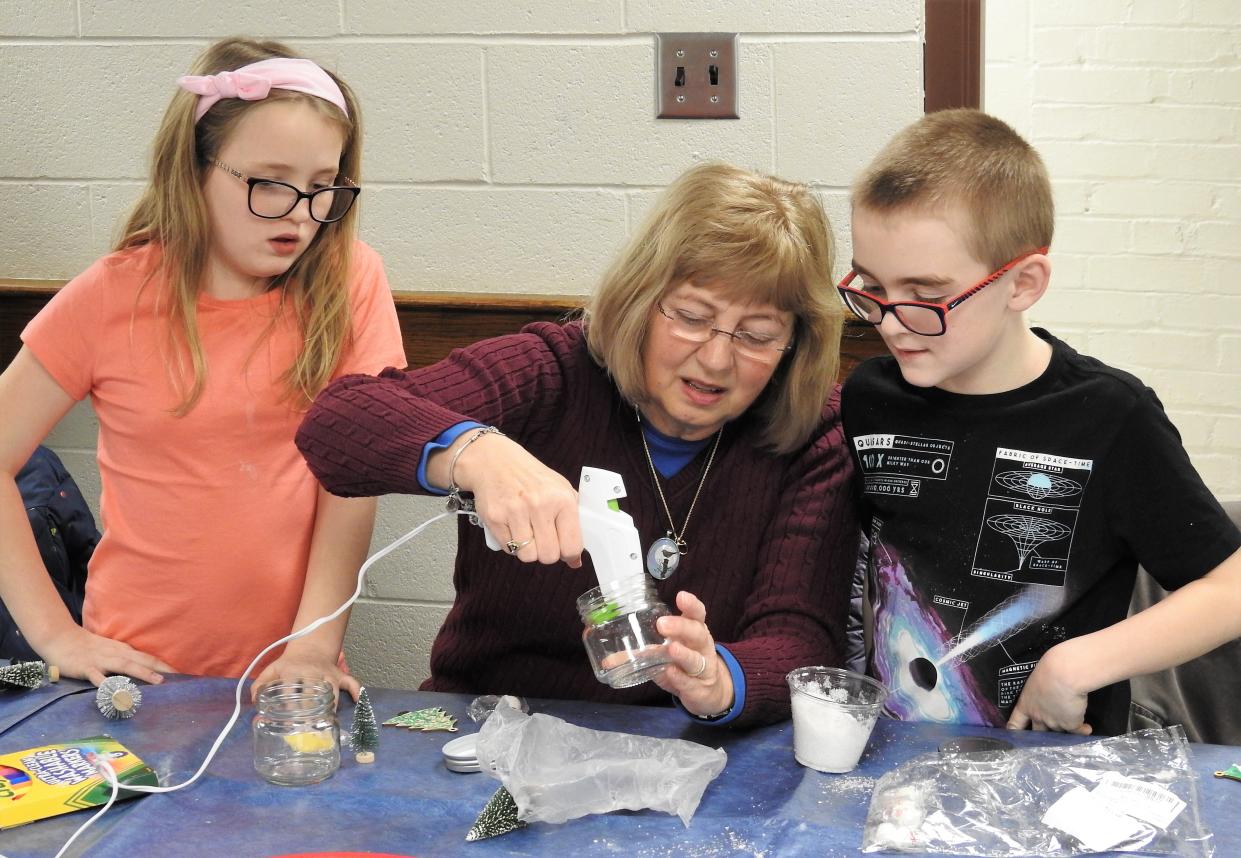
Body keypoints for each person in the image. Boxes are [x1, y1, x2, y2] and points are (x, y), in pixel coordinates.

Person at [296, 162, 858, 727]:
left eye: (756, 336)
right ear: (643, 299)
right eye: (691, 317)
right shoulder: (552, 372)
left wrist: (718, 679)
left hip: (692, 750)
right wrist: (478, 453)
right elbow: (335, 425)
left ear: (795, 344)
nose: (715, 359)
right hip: (492, 727)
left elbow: (800, 636)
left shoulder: (816, 433)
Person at [0, 38, 406, 700]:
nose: (301, 215)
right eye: (270, 184)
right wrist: (54, 634)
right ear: (192, 169)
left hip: (290, 675)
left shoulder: (350, 280)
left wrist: (314, 643)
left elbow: (351, 479)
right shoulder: (110, 296)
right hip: (137, 672)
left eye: (322, 187)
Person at [838, 109, 1241, 735]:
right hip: (900, 757)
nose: (889, 324)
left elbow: (1231, 587)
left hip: (1055, 773)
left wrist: (1080, 663)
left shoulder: (1110, 418)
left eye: (925, 295)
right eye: (872, 288)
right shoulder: (870, 398)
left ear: (1023, 283)